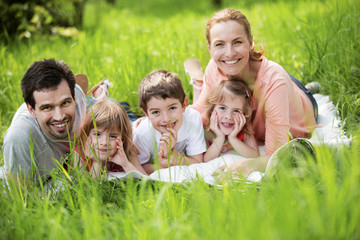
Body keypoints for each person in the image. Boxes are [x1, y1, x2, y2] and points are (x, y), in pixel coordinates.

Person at [184, 8, 317, 178]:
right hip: (262, 78)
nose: (229, 52)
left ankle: (310, 88)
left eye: (237, 42)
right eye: (219, 44)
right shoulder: (216, 66)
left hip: (302, 102)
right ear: (209, 47)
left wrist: (248, 165)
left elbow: (276, 155)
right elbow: (200, 111)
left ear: (250, 42)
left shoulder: (274, 82)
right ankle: (199, 81)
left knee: (288, 84)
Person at [2, 59, 87, 184]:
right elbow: (24, 199)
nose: (59, 116)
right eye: (47, 107)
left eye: (65, 103)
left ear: (73, 98)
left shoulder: (78, 96)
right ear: (31, 110)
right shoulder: (19, 138)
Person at [133, 70, 206, 174]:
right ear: (146, 113)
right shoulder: (141, 134)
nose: (166, 119)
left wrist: (180, 160)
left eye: (172, 108)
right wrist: (161, 166)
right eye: (156, 112)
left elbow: (197, 160)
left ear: (184, 105)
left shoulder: (193, 120)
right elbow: (138, 166)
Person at [73, 99, 146, 177]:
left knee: (130, 115)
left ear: (123, 138)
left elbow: (146, 183)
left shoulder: (127, 150)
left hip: (129, 121)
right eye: (97, 134)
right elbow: (87, 188)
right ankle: (100, 95)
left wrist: (126, 164)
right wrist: (97, 163)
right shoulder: (78, 154)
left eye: (112, 136)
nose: (104, 142)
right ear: (87, 134)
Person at [203, 79, 259, 162]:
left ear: (244, 113)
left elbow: (255, 156)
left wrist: (233, 138)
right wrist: (220, 137)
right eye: (222, 108)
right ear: (212, 109)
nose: (228, 117)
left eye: (236, 111)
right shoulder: (205, 127)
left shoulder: (245, 127)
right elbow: (206, 159)